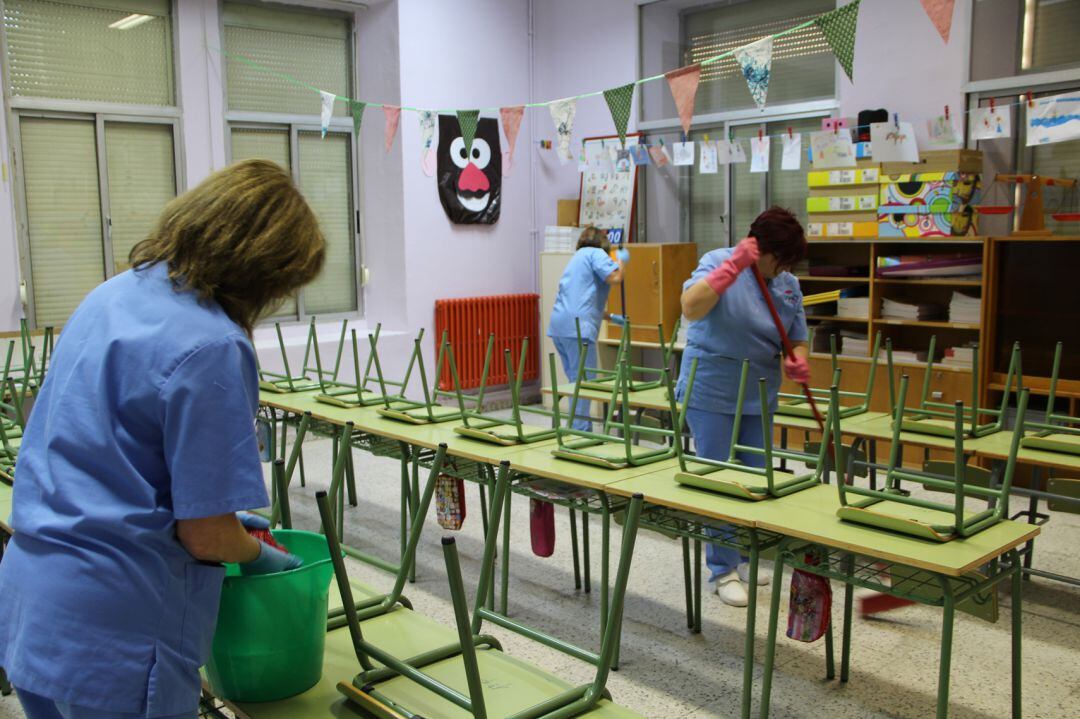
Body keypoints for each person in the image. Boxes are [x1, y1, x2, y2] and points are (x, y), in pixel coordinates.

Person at [0, 159, 326, 719]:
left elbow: (104, 451)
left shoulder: (110, 295)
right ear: (261, 271)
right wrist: (251, 553)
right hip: (117, 628)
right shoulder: (212, 345)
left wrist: (219, 515)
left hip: (33, 602)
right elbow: (204, 536)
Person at [675, 207, 810, 607]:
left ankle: (746, 556)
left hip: (760, 392)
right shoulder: (718, 262)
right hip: (712, 389)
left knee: (753, 479)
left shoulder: (787, 284)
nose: (782, 268)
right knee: (719, 480)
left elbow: (797, 337)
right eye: (778, 259)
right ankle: (722, 569)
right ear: (759, 249)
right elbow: (690, 307)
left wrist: (798, 357)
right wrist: (732, 267)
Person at [547, 227, 627, 430]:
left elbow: (581, 300)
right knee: (585, 383)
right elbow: (615, 278)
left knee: (576, 381)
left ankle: (578, 427)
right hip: (578, 330)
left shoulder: (577, 258)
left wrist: (611, 317)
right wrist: (622, 261)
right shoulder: (596, 253)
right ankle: (581, 433)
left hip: (559, 327)